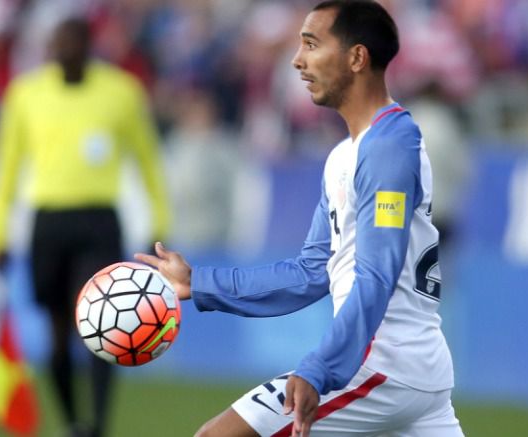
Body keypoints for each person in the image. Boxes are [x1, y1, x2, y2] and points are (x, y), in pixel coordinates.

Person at [137, 1, 463, 436]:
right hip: (415, 368)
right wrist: (199, 283)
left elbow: (377, 275)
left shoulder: (389, 144)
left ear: (356, 57)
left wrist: (319, 368)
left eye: (311, 44)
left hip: (387, 364)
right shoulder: (345, 155)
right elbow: (310, 272)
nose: (298, 60)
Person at [0, 17, 171, 437]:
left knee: (105, 325)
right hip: (48, 222)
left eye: (73, 44)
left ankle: (98, 426)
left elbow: (148, 163)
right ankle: (72, 422)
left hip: (99, 222)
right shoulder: (26, 94)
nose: (64, 51)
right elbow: (6, 171)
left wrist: (159, 224)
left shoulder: (121, 93)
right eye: (58, 44)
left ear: (89, 47)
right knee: (56, 333)